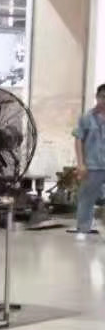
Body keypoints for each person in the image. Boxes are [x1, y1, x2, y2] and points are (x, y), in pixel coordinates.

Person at [73, 83, 105, 237]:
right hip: (92, 166)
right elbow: (78, 139)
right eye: (103, 97)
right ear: (97, 97)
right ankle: (83, 230)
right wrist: (81, 164)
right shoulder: (86, 118)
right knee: (86, 199)